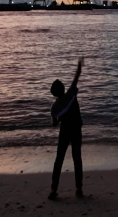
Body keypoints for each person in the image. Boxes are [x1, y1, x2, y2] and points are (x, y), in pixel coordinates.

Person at [49, 56, 84, 200]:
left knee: (59, 160)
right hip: (76, 130)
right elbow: (76, 78)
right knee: (77, 159)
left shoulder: (54, 107)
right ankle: (79, 189)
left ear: (53, 93)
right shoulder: (71, 95)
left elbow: (54, 123)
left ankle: (53, 189)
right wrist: (79, 67)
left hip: (64, 132)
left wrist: (59, 118)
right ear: (63, 88)